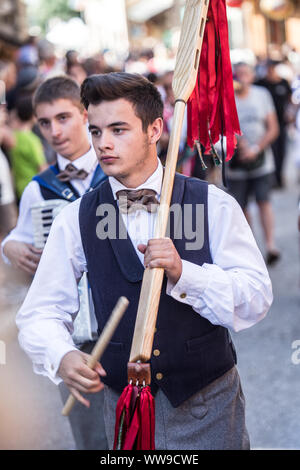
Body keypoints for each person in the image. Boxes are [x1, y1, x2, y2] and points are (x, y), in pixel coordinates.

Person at [16, 72, 273, 450]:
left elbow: (256, 298)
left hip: (207, 406)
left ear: (155, 130)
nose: (104, 144)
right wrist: (63, 355)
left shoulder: (212, 203)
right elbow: (39, 312)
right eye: (97, 131)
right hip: (123, 411)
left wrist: (185, 273)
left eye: (118, 130)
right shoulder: (76, 218)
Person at [1, 75, 108, 450]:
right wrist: (10, 246)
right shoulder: (40, 188)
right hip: (74, 334)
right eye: (45, 122)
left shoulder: (121, 169)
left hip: (128, 322)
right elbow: (21, 236)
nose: (54, 131)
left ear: (84, 114)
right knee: (92, 437)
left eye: (63, 118)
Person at [227, 63, 280, 266]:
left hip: (261, 161)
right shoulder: (227, 97)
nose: (242, 78)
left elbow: (273, 128)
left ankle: (270, 245)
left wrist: (256, 148)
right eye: (238, 74)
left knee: (264, 201)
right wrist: (236, 145)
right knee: (242, 207)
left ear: (251, 75)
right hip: (236, 162)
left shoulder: (261, 95)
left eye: (246, 73)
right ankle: (252, 248)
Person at [256, 59, 292, 188]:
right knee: (271, 151)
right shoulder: (261, 83)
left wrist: (290, 113)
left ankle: (279, 176)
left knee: (281, 151)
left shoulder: (283, 82)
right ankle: (271, 179)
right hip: (266, 125)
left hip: (281, 123)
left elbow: (290, 100)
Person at [9, 94, 47, 200]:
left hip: (19, 188)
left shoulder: (13, 136)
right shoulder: (33, 141)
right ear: (33, 116)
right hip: (34, 189)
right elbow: (42, 168)